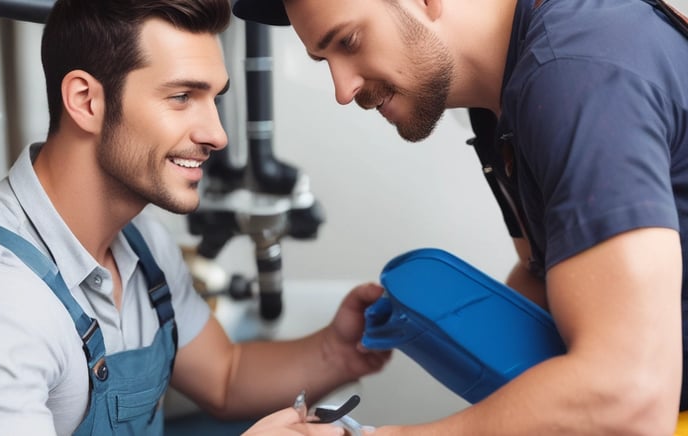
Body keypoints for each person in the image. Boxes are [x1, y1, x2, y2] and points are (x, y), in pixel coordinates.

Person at [0, 0, 392, 434]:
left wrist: (338, 350)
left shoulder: (141, 241)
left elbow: (224, 376)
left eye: (214, 99)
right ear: (86, 101)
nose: (217, 134)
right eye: (182, 96)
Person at [231, 0, 688, 434]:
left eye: (349, 41)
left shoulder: (573, 76)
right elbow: (543, 281)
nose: (343, 89)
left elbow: (630, 397)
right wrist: (433, 320)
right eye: (323, 60)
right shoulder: (504, 99)